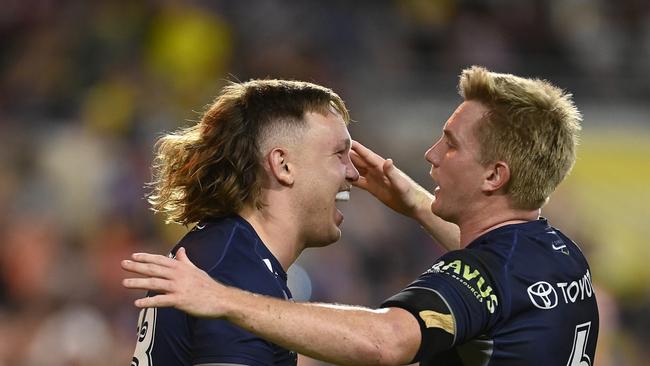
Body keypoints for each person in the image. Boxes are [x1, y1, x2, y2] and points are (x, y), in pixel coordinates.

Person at [123, 66, 598, 365]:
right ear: (282, 165)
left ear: (495, 176)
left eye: (450, 145)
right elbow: (503, 271)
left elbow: (388, 340)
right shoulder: (562, 256)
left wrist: (226, 301)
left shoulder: (229, 281)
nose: (430, 155)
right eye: (339, 154)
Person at [127, 78, 460, 366]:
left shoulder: (228, 252)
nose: (354, 173)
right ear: (283, 164)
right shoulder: (235, 272)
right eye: (339, 154)